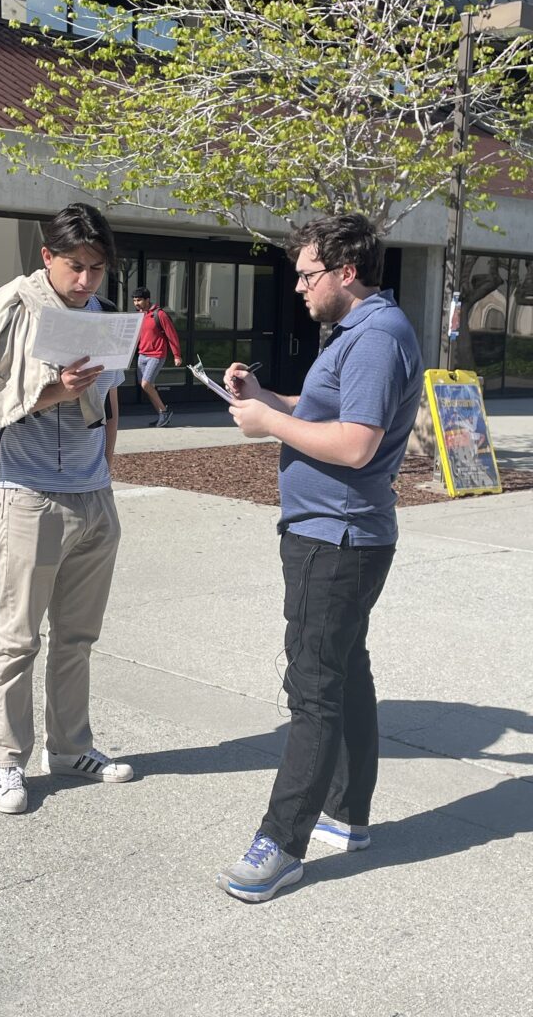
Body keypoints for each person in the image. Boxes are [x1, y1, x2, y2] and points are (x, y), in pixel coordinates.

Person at [217, 213, 423, 902]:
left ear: (345, 273)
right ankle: (349, 811)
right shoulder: (363, 333)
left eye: (307, 274)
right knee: (344, 666)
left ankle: (281, 843)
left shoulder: (374, 340)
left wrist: (268, 423)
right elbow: (323, 408)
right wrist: (266, 397)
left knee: (312, 688)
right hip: (339, 535)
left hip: (335, 539)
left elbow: (357, 444)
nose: (299, 287)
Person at [0, 203, 133, 815]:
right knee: (17, 638)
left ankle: (70, 747)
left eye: (97, 269)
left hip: (92, 492)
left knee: (77, 637)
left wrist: (107, 473)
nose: (86, 281)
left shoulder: (103, 315)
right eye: (76, 266)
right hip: (29, 492)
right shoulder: (14, 306)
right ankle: (6, 762)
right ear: (47, 257)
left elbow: (110, 404)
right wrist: (54, 389)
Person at [132, 286, 182, 427]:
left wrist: (177, 355)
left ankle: (164, 412)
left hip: (157, 354)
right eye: (135, 300)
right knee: (148, 386)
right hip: (142, 355)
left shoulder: (159, 315)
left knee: (146, 384)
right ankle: (161, 415)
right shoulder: (139, 315)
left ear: (147, 300)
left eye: (139, 300)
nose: (136, 303)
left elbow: (172, 335)